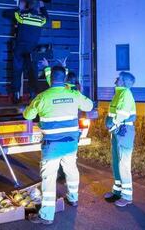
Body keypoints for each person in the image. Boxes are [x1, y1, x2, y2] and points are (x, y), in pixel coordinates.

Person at [23, 66, 93, 224]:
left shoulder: (43, 97)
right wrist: (76, 93)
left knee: (49, 177)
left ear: (51, 78)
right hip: (70, 143)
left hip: (52, 146)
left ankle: (47, 215)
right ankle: (73, 198)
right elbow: (89, 106)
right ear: (65, 78)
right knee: (71, 169)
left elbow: (28, 115)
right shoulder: (73, 94)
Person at [103, 71, 137, 207]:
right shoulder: (119, 93)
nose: (116, 79)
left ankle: (127, 196)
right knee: (117, 162)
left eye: (119, 78)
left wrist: (113, 124)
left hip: (123, 131)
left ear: (123, 81)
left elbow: (121, 114)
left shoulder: (125, 94)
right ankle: (117, 192)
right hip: (118, 131)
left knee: (124, 163)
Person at [11, 0, 48, 103]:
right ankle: (32, 95)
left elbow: (13, 14)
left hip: (20, 48)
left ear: (28, 7)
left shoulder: (23, 16)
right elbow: (47, 18)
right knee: (32, 72)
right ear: (37, 8)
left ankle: (16, 95)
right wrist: (43, 7)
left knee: (17, 71)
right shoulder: (41, 19)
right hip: (32, 50)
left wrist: (21, 8)